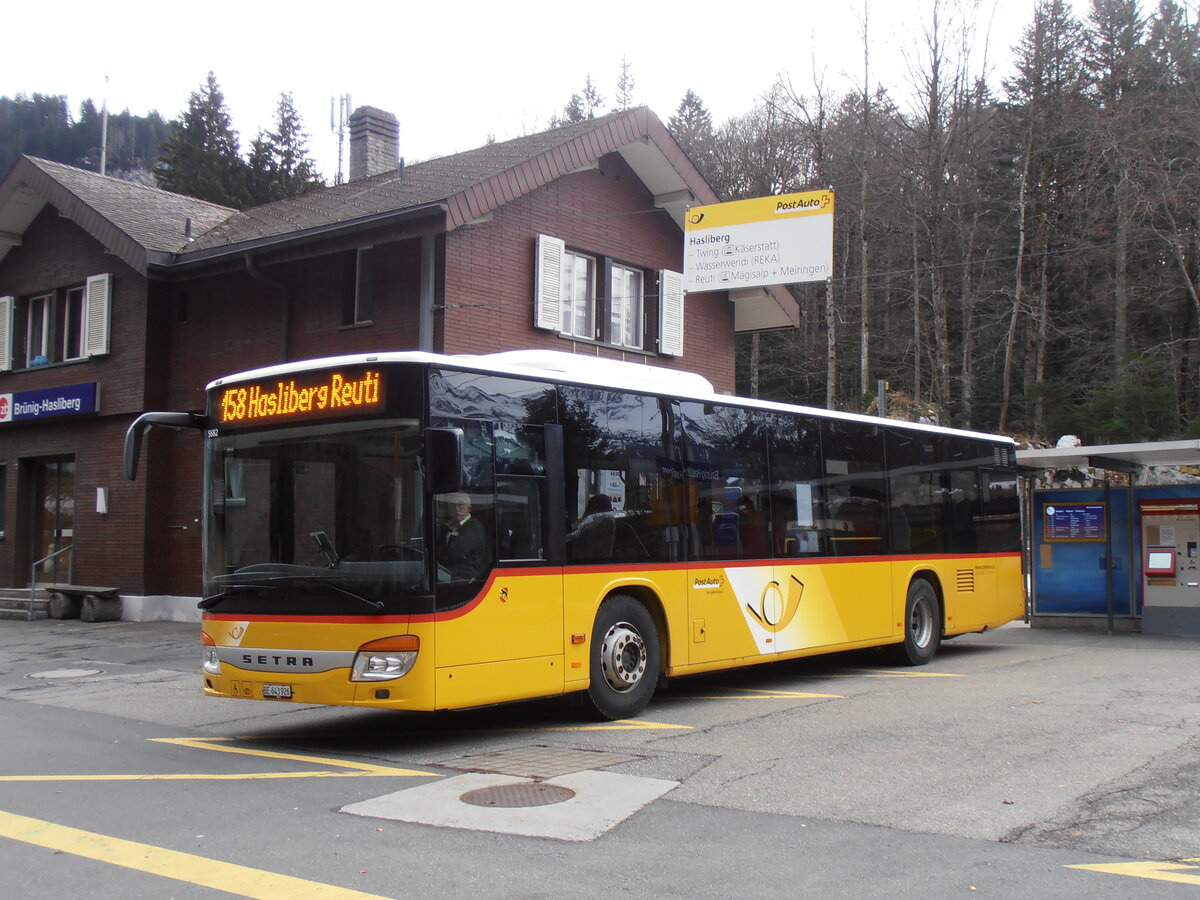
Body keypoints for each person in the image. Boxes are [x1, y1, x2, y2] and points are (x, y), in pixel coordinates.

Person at [437, 491, 488, 580]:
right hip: (444, 573)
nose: (456, 508)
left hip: (463, 578)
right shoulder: (445, 525)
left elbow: (453, 553)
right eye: (452, 505)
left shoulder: (474, 527)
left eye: (460, 505)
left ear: (469, 507)